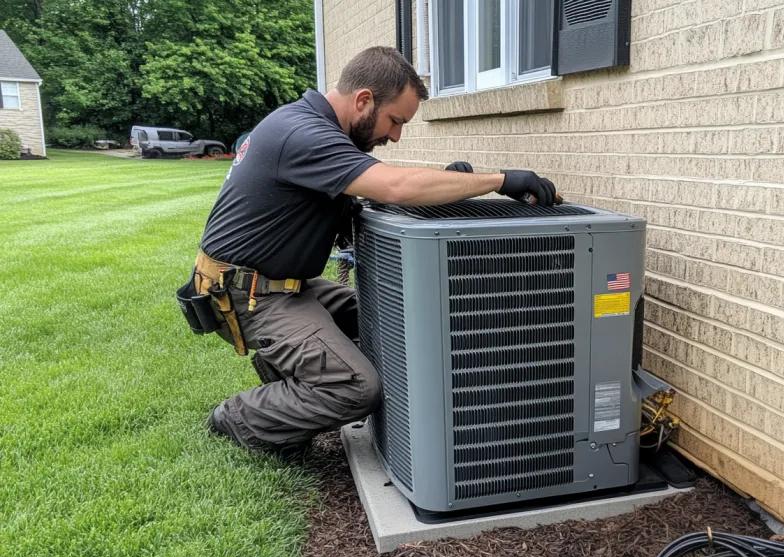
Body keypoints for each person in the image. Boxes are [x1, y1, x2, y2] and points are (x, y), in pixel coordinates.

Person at [178, 46, 559, 456]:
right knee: (355, 387)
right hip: (249, 294)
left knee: (391, 321)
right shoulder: (303, 133)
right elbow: (394, 186)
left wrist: (446, 184)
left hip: (285, 285)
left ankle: (288, 370)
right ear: (363, 100)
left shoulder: (316, 129)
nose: (395, 135)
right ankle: (236, 417)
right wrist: (501, 180)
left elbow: (378, 195)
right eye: (395, 120)